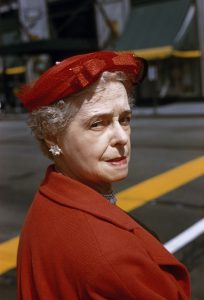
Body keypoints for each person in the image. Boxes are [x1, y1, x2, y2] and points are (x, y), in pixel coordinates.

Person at [17, 51, 190, 300]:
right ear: (52, 135)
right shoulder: (112, 259)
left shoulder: (49, 198)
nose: (122, 137)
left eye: (125, 119)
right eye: (98, 123)